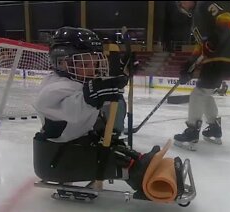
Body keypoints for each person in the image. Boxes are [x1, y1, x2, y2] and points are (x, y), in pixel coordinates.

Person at [32, 27, 177, 199]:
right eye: (85, 64)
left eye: (94, 63)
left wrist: (121, 75)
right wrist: (92, 96)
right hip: (58, 158)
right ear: (62, 63)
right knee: (117, 158)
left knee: (116, 112)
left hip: (77, 143)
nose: (91, 70)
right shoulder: (53, 89)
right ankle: (137, 171)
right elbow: (74, 110)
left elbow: (103, 92)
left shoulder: (78, 81)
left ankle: (135, 161)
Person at [174, 1, 230, 151]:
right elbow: (201, 47)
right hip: (217, 59)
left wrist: (215, 39)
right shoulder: (195, 20)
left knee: (198, 94)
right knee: (206, 93)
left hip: (220, 57)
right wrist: (189, 66)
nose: (180, 2)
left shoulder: (203, 5)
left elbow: (227, 18)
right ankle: (214, 128)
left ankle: (192, 131)